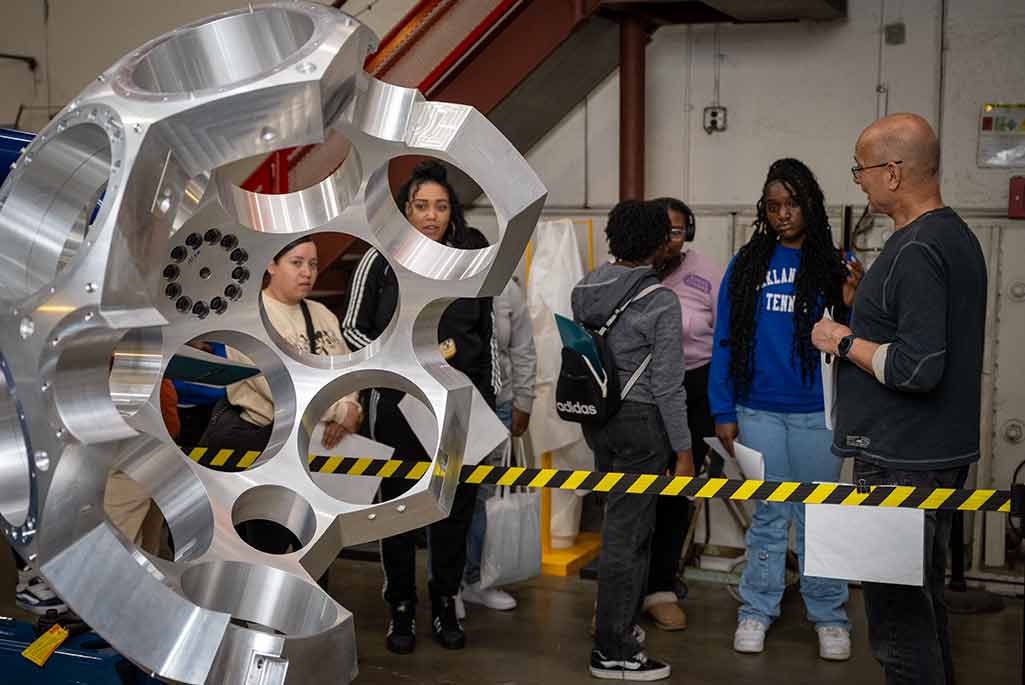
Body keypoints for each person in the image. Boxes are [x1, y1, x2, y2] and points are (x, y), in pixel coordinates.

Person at [812, 113, 987, 685]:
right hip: (933, 455)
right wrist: (866, 300)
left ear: (892, 171)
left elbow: (917, 367)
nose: (857, 180)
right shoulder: (952, 237)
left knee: (897, 629)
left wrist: (842, 339)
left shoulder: (915, 250)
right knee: (922, 604)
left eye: (861, 168)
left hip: (901, 462)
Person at [342, 160, 495, 655]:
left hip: (458, 407)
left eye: (441, 207)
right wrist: (399, 359)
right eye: (422, 206)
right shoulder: (380, 256)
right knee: (399, 510)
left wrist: (488, 407)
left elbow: (486, 338)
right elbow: (351, 329)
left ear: (452, 213)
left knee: (454, 510)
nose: (431, 215)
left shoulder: (472, 257)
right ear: (407, 210)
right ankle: (401, 607)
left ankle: (446, 600)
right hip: (398, 404)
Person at [709, 158, 859, 661]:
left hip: (820, 412)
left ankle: (829, 616)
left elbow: (862, 340)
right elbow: (725, 340)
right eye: (773, 206)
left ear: (810, 204)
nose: (783, 214)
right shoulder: (748, 263)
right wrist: (721, 408)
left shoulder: (838, 264)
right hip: (757, 411)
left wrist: (853, 302)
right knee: (770, 515)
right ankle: (756, 609)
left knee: (821, 516)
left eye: (792, 204)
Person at [572, 199, 693, 682]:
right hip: (643, 424)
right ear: (656, 243)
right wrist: (683, 450)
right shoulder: (660, 300)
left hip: (598, 419)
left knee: (617, 528)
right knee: (629, 537)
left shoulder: (585, 288)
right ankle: (614, 650)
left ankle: (615, 630)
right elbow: (667, 384)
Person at [200, 236, 362, 553]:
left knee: (315, 543)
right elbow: (274, 386)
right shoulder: (251, 316)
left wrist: (351, 407)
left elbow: (347, 371)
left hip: (318, 445)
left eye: (313, 264)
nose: (307, 273)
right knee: (266, 545)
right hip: (266, 444)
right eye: (296, 263)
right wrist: (340, 413)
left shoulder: (322, 313)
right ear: (272, 265)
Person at [638, 197, 722, 632]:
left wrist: (723, 406)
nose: (668, 239)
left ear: (687, 231)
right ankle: (626, 589)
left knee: (675, 495)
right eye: (660, 230)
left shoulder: (707, 273)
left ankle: (661, 587)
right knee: (635, 495)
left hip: (693, 390)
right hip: (641, 394)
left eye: (676, 230)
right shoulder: (635, 270)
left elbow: (725, 340)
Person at [460, 276, 536, 612]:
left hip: (500, 404)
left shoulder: (506, 288)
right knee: (451, 498)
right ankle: (448, 584)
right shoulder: (450, 283)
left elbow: (522, 347)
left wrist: (525, 399)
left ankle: (477, 579)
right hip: (458, 408)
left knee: (485, 498)